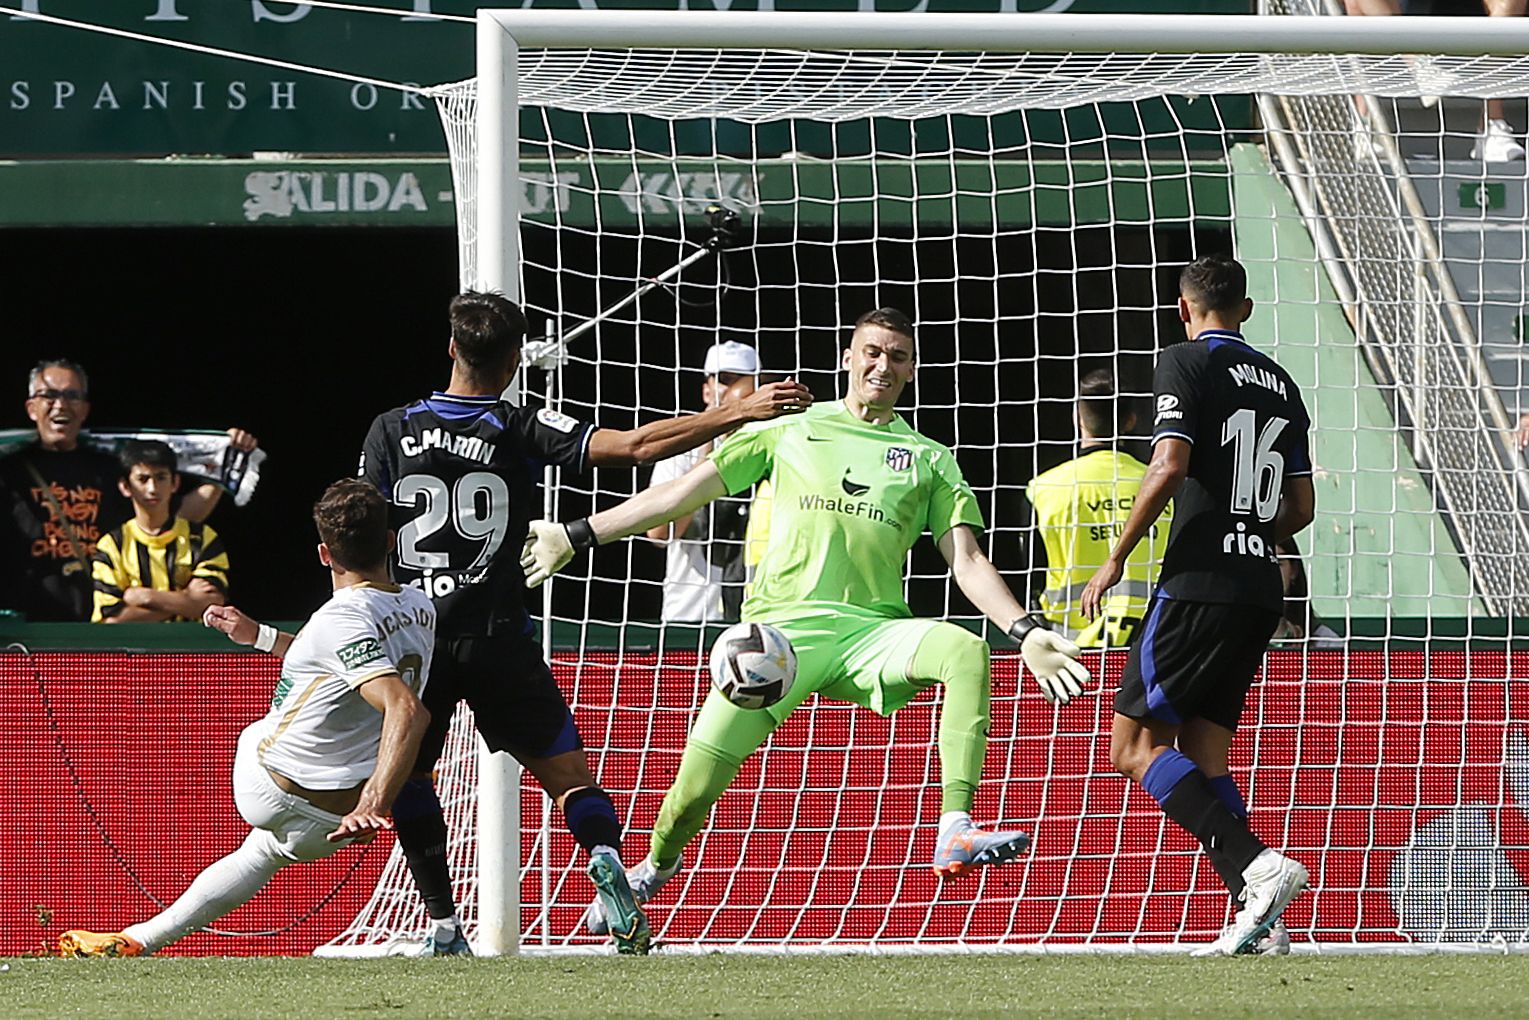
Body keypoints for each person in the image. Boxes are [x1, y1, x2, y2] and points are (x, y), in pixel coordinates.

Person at [521, 307, 1093, 931]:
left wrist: (1026, 629)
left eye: (898, 357)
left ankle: (955, 825)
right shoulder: (790, 429)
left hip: (872, 633)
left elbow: (969, 558)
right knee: (688, 797)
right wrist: (581, 534)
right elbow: (683, 493)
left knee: (963, 649)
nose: (883, 365)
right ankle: (647, 875)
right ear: (848, 357)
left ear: (912, 370)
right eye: (872, 351)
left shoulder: (928, 458)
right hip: (776, 641)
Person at [359, 291, 812, 956]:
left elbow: (362, 532)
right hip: (499, 636)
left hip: (418, 640)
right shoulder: (515, 424)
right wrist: (736, 411)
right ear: (515, 360)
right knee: (570, 779)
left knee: (413, 778)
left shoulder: (391, 428)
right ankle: (603, 857)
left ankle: (441, 924)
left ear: (452, 349)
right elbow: (631, 449)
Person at [57, 479, 434, 957]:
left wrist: (375, 802)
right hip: (328, 824)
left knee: (262, 727)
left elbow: (406, 708)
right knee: (261, 853)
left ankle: (139, 936)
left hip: (274, 790)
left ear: (323, 553)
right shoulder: (421, 607)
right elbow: (343, 664)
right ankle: (138, 939)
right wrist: (260, 637)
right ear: (388, 541)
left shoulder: (338, 618)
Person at [1079, 255, 1317, 957]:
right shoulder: (1282, 383)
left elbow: (1170, 462)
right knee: (1204, 752)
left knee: (1131, 745)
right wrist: (1247, 534)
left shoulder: (1182, 361)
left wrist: (1117, 555)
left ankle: (1256, 868)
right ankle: (1257, 917)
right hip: (1257, 588)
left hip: (1196, 584)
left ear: (1184, 309)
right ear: (1243, 309)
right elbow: (1300, 507)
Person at [0, 358, 258, 621]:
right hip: (28, 630)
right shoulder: (8, 472)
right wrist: (185, 601)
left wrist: (225, 465)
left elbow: (175, 515)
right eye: (50, 394)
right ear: (31, 408)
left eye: (72, 395)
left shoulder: (109, 468)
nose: (61, 404)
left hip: (107, 630)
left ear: (85, 409)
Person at [1024, 368, 1169, 647]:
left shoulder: (1043, 489)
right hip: (1152, 640)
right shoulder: (1163, 486)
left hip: (1068, 647)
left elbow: (1031, 576)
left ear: (1077, 418)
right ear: (1131, 421)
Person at [644, 341, 760, 623]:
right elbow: (660, 535)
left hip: (757, 618)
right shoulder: (679, 452)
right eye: (725, 381)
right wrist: (706, 444)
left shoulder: (772, 450)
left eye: (741, 384)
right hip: (690, 616)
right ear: (706, 388)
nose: (733, 394)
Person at [90, 440, 230, 623]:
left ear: (175, 483)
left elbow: (212, 604)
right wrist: (188, 601)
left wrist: (145, 597)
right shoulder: (111, 546)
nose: (152, 488)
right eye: (143, 479)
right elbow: (112, 622)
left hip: (192, 649)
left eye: (161, 477)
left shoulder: (203, 538)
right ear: (125, 486)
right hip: (134, 650)